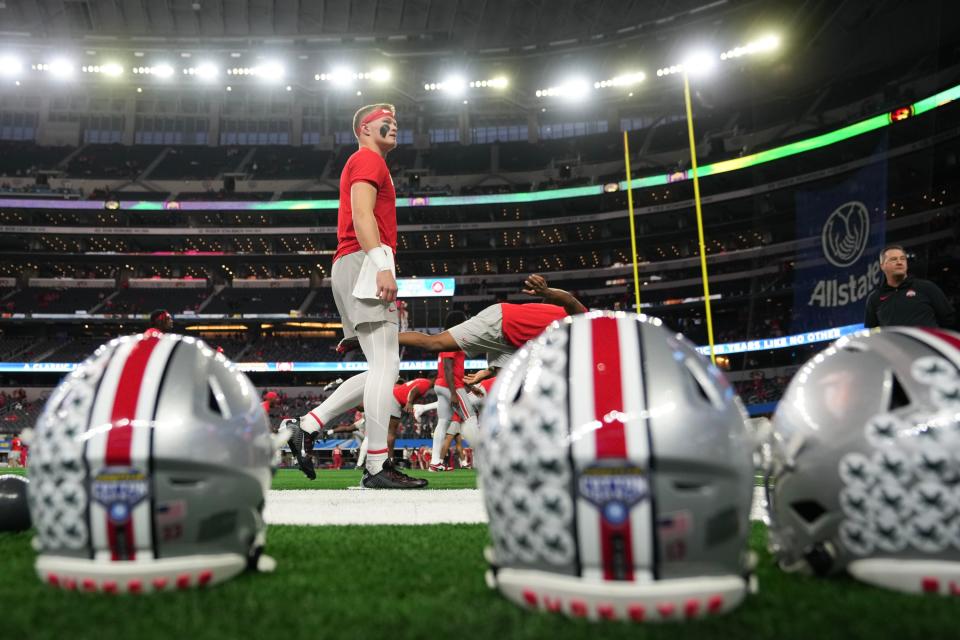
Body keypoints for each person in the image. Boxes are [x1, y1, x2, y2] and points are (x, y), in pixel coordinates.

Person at [284, 103, 423, 489]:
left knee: (381, 367)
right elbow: (363, 215)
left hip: (353, 262)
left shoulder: (366, 161)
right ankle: (377, 466)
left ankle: (306, 426)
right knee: (387, 367)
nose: (394, 124)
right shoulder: (368, 160)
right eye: (385, 120)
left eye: (396, 120)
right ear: (364, 127)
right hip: (363, 260)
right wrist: (382, 263)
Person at [342, 274, 586, 447]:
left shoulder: (570, 349)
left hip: (512, 341)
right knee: (434, 343)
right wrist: (547, 292)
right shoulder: (586, 325)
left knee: (514, 385)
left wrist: (483, 374)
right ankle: (364, 337)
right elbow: (570, 301)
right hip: (501, 322)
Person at [288, 378, 434, 487]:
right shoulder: (419, 384)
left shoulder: (391, 392)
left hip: (373, 420)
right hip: (372, 424)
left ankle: (375, 469)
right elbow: (350, 426)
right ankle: (376, 468)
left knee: (385, 369)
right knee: (386, 368)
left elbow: (355, 417)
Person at [864, 245, 955, 328]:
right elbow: (872, 333)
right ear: (882, 266)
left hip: (925, 345)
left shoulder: (926, 287)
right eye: (893, 259)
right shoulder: (875, 298)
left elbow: (949, 319)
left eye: (903, 259)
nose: (899, 262)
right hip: (894, 346)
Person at [430, 311, 473, 471]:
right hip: (451, 386)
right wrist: (454, 393)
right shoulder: (452, 337)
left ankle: (435, 462)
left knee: (442, 423)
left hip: (441, 384)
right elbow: (448, 367)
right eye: (464, 320)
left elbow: (451, 367)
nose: (466, 322)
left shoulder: (445, 337)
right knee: (471, 418)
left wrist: (470, 386)